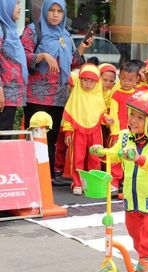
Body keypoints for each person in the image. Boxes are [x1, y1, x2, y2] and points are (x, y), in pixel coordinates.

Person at [91, 90, 148, 272]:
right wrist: (102, 152)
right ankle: (143, 257)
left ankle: (147, 259)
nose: (133, 120)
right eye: (131, 115)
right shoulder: (125, 137)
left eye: (139, 117)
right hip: (132, 194)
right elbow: (115, 153)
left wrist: (138, 158)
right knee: (133, 228)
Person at [21, 0, 91, 178]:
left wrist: (82, 47)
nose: (55, 14)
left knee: (51, 140)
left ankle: (47, 179)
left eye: (59, 11)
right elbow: (22, 56)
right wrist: (43, 55)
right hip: (36, 96)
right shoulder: (33, 30)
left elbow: (71, 62)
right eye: (51, 10)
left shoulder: (65, 35)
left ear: (64, 14)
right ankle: (31, 178)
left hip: (58, 95)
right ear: (44, 11)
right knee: (35, 138)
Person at [61, 64, 108, 195]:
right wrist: (68, 132)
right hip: (78, 131)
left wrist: (106, 119)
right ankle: (77, 183)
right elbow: (69, 116)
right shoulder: (75, 96)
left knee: (95, 157)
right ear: (80, 80)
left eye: (92, 81)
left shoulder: (98, 96)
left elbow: (100, 114)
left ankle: (92, 182)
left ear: (97, 82)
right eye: (85, 80)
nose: (88, 84)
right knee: (78, 158)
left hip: (95, 131)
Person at [108, 61, 139, 190]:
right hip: (120, 132)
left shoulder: (138, 95)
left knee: (131, 156)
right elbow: (113, 114)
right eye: (123, 79)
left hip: (133, 133)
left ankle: (128, 181)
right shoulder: (116, 94)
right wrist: (115, 132)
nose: (126, 82)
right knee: (116, 156)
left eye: (130, 80)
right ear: (119, 77)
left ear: (137, 79)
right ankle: (114, 182)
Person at [0, 0, 28, 139]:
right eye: (16, 3)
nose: (19, 7)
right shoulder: (1, 29)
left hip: (10, 95)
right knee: (3, 137)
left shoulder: (9, 28)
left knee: (6, 136)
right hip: (3, 95)